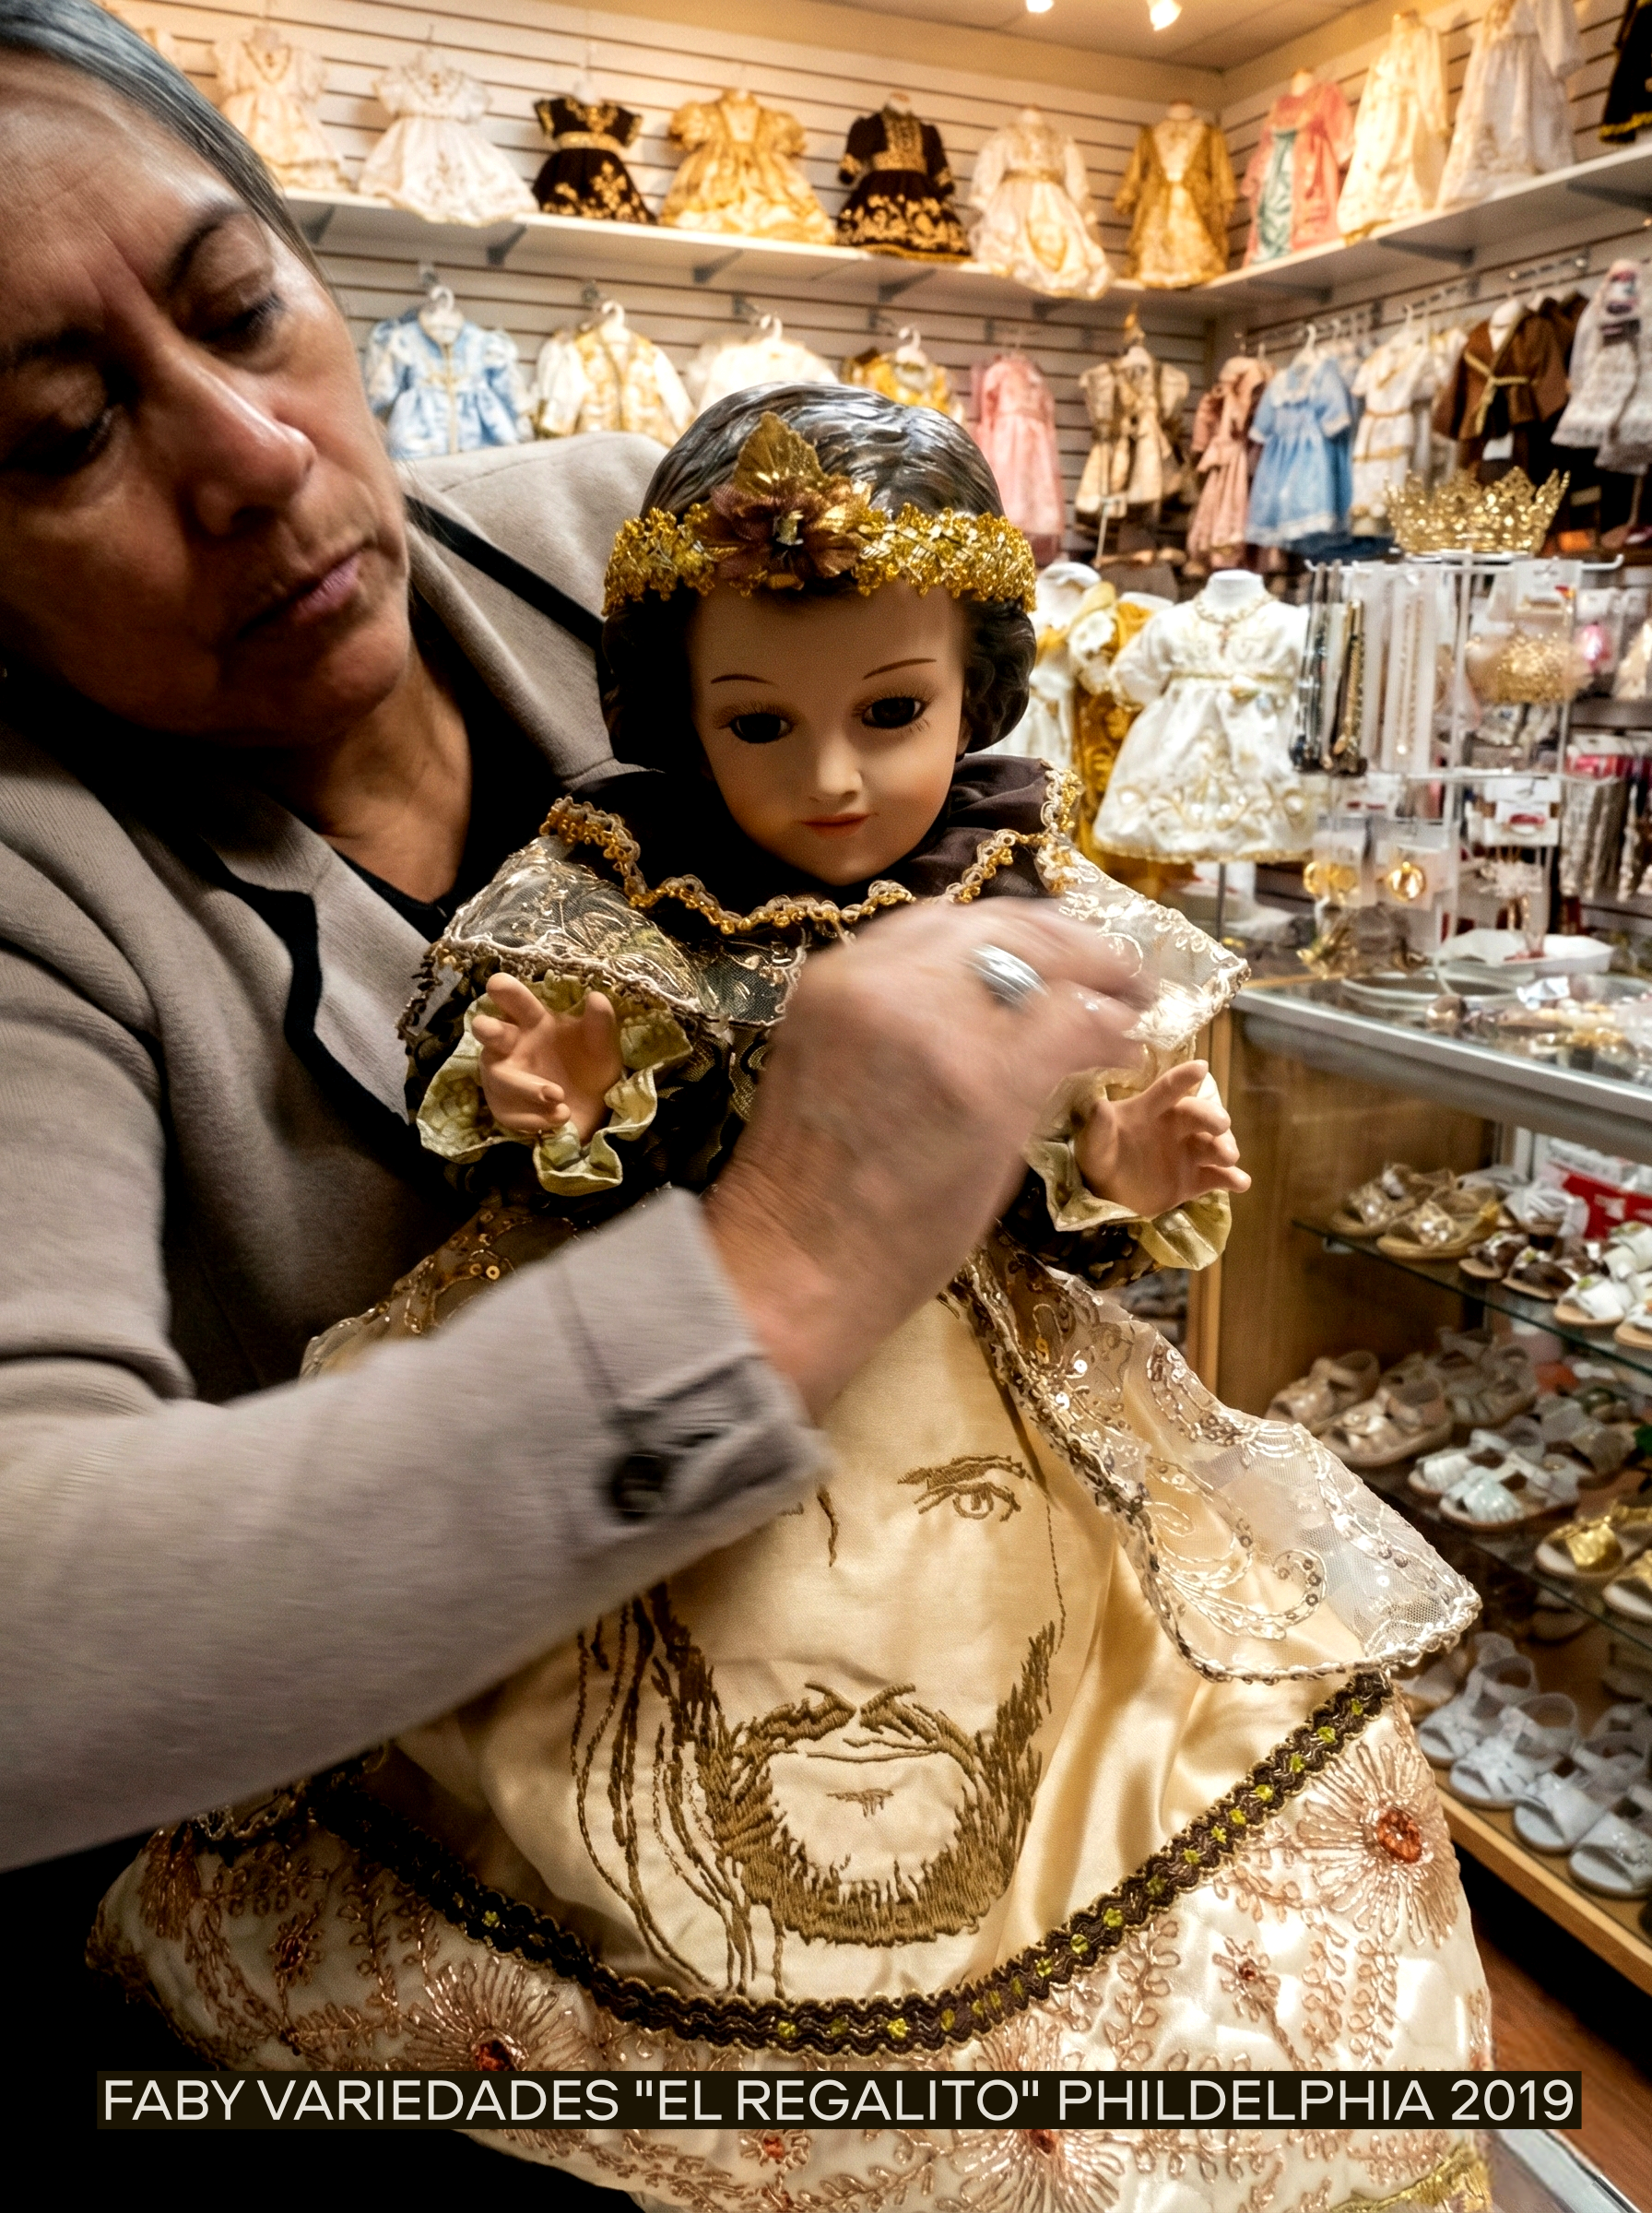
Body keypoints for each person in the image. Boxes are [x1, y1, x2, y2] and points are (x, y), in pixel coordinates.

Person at [100, 390, 1493, 2213]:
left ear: (970, 693)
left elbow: (1068, 1177)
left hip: (978, 1381)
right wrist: (556, 1103)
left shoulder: (1012, 881)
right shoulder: (618, 880)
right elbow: (501, 1109)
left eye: (887, 715)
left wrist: (1116, 1163)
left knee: (1108, 1744)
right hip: (668, 1356)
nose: (830, 780)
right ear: (675, 713)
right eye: (758, 725)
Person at [0, 0, 1150, 1912]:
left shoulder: (654, 547)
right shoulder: (41, 881)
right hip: (428, 1900)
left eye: (237, 309)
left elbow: (1007, 951)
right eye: (60, 436)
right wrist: (775, 1263)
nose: (252, 455)